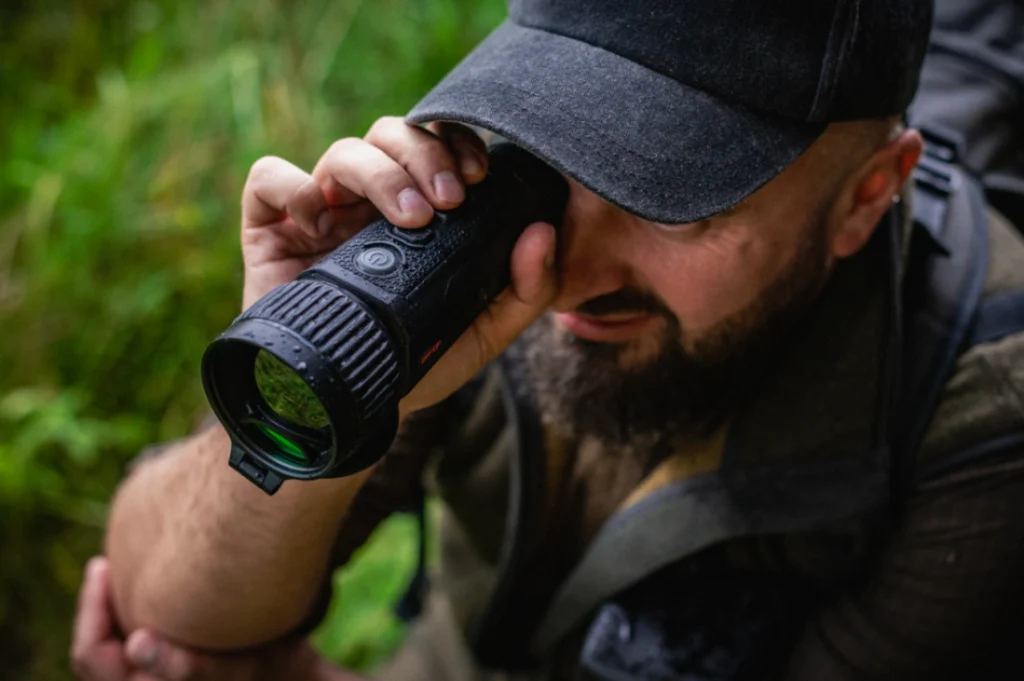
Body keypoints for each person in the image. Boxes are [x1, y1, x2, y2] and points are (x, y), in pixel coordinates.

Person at [71, 0, 1024, 680]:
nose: (566, 271)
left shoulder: (983, 418)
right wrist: (313, 352)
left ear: (867, 195)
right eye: (561, 145)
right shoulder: (501, 237)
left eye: (677, 199)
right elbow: (165, 611)